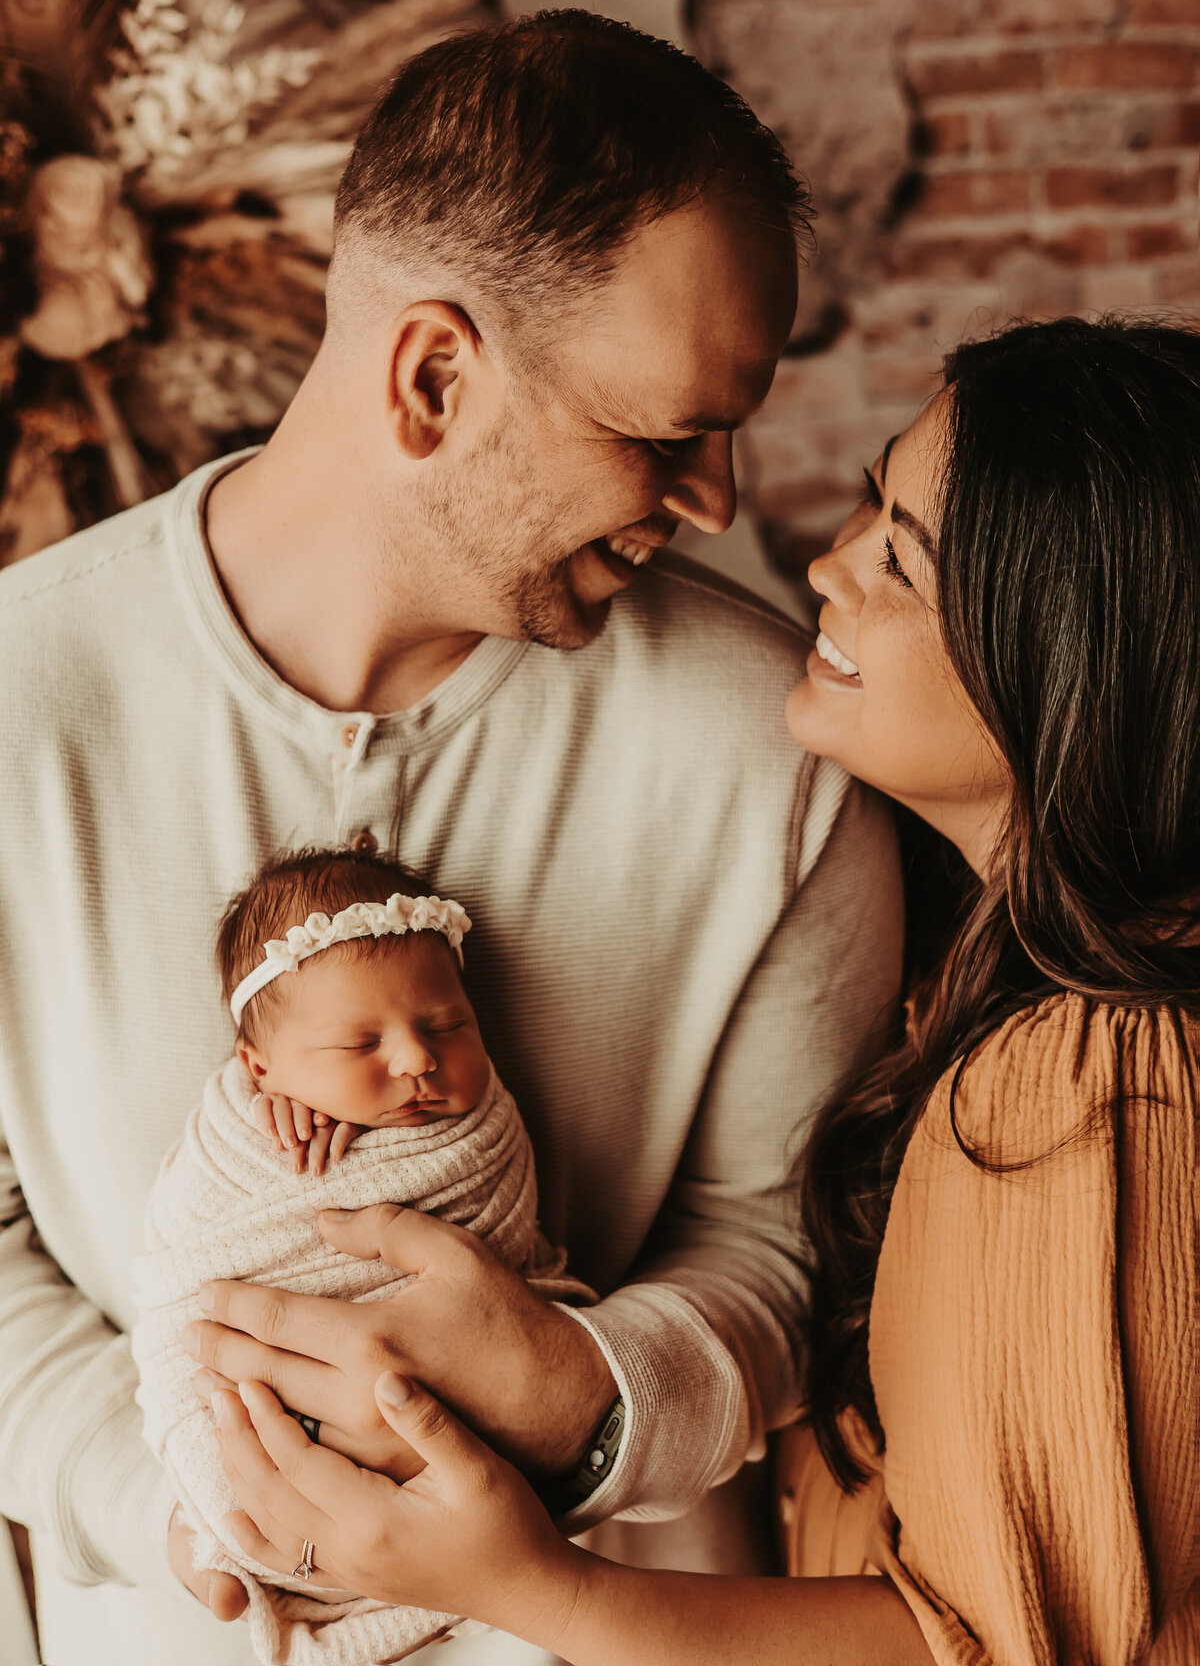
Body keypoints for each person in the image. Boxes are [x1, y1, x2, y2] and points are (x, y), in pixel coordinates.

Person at [0, 11, 902, 1666]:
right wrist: (195, 1510)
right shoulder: (14, 702)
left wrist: (597, 1394)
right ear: (432, 376)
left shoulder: (782, 750)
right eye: (664, 434)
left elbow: (784, 1252)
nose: (716, 497)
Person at [214, 315, 1200, 1665]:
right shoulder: (988, 976)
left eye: (901, 558)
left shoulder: (1105, 1077)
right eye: (866, 503)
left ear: (1065, 655)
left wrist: (531, 1582)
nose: (825, 562)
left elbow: (1003, 1645)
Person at [133, 846, 590, 1666]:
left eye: (447, 1025)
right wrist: (277, 1134)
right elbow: (183, 1273)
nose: (418, 1059)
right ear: (259, 1070)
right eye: (357, 1045)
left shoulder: (481, 1132)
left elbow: (508, 1255)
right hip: (274, 1424)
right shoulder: (238, 1139)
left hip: (472, 1454)